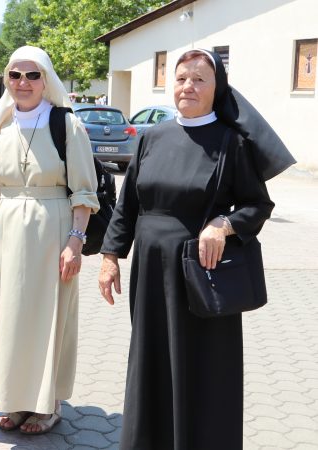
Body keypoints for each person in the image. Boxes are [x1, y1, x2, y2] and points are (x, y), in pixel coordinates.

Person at [98, 49, 295, 449]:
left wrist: (224, 225)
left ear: (216, 87)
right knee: (151, 361)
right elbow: (128, 205)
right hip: (150, 272)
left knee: (202, 367)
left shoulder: (230, 143)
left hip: (201, 271)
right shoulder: (151, 137)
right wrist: (109, 257)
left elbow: (259, 205)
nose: (189, 86)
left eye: (199, 79)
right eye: (182, 78)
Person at [0, 46, 99, 434]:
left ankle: (48, 403)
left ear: (46, 80)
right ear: (6, 80)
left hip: (51, 231)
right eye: (15, 75)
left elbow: (84, 192)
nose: (23, 83)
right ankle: (17, 400)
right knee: (8, 317)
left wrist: (75, 242)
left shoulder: (66, 125)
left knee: (48, 317)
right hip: (4, 233)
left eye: (32, 75)